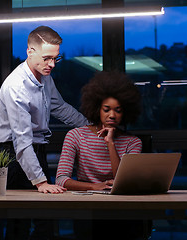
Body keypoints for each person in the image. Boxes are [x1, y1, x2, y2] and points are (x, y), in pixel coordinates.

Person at [0, 26, 89, 239]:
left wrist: (88, 126)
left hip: (37, 149)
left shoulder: (45, 76)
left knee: (45, 218)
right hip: (15, 155)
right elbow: (21, 142)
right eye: (47, 58)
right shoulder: (15, 87)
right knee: (19, 222)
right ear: (30, 52)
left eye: (56, 58)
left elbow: (59, 106)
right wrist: (40, 182)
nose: (52, 65)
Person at [56, 71, 148, 239]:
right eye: (106, 109)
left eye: (118, 110)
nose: (112, 115)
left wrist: (110, 143)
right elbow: (61, 179)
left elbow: (125, 181)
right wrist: (94, 187)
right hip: (88, 208)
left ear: (126, 112)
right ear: (97, 108)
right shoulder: (76, 136)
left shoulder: (133, 142)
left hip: (122, 209)